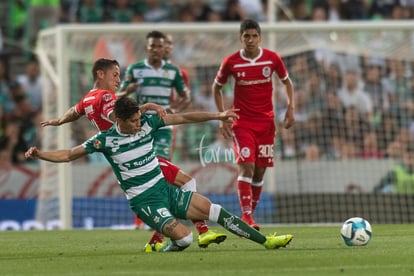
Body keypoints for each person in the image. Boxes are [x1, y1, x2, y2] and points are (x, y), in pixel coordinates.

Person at [25, 95, 293, 252]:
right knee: (186, 239)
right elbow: (69, 154)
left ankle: (265, 241)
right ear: (118, 121)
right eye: (132, 122)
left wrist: (218, 114)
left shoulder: (147, 123)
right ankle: (167, 245)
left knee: (214, 209)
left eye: (139, 119)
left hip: (165, 190)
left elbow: (185, 118)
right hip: (145, 201)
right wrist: (40, 155)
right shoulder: (105, 140)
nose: (138, 124)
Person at [40, 58, 226, 251]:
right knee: (186, 182)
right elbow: (122, 117)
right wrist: (151, 106)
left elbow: (74, 111)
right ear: (100, 74)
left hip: (125, 158)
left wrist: (59, 120)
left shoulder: (88, 99)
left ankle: (161, 239)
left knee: (181, 185)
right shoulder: (106, 98)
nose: (118, 79)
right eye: (115, 74)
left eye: (119, 75)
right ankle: (200, 232)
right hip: (137, 154)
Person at [212, 19, 295, 230]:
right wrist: (223, 116)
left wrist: (290, 107)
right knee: (246, 166)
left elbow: (287, 82)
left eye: (254, 36)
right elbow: (216, 87)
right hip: (242, 123)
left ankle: (250, 216)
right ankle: (246, 217)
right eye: (246, 36)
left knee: (259, 172)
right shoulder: (231, 62)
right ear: (240, 38)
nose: (250, 40)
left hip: (266, 124)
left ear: (260, 37)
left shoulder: (272, 59)